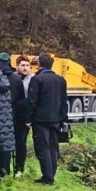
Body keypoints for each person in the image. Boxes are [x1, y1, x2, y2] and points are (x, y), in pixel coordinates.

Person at [25, 53, 68, 184]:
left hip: (40, 119)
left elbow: (32, 101)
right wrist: (63, 118)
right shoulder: (61, 80)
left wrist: (28, 118)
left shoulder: (37, 79)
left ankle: (47, 177)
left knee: (43, 147)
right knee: (53, 147)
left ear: (39, 64)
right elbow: (64, 101)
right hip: (55, 119)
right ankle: (51, 174)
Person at [11, 56, 34, 178]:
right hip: (13, 114)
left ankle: (19, 168)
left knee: (21, 143)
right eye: (22, 65)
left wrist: (29, 118)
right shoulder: (13, 78)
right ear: (17, 66)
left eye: (27, 65)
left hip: (24, 116)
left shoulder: (33, 79)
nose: (25, 68)